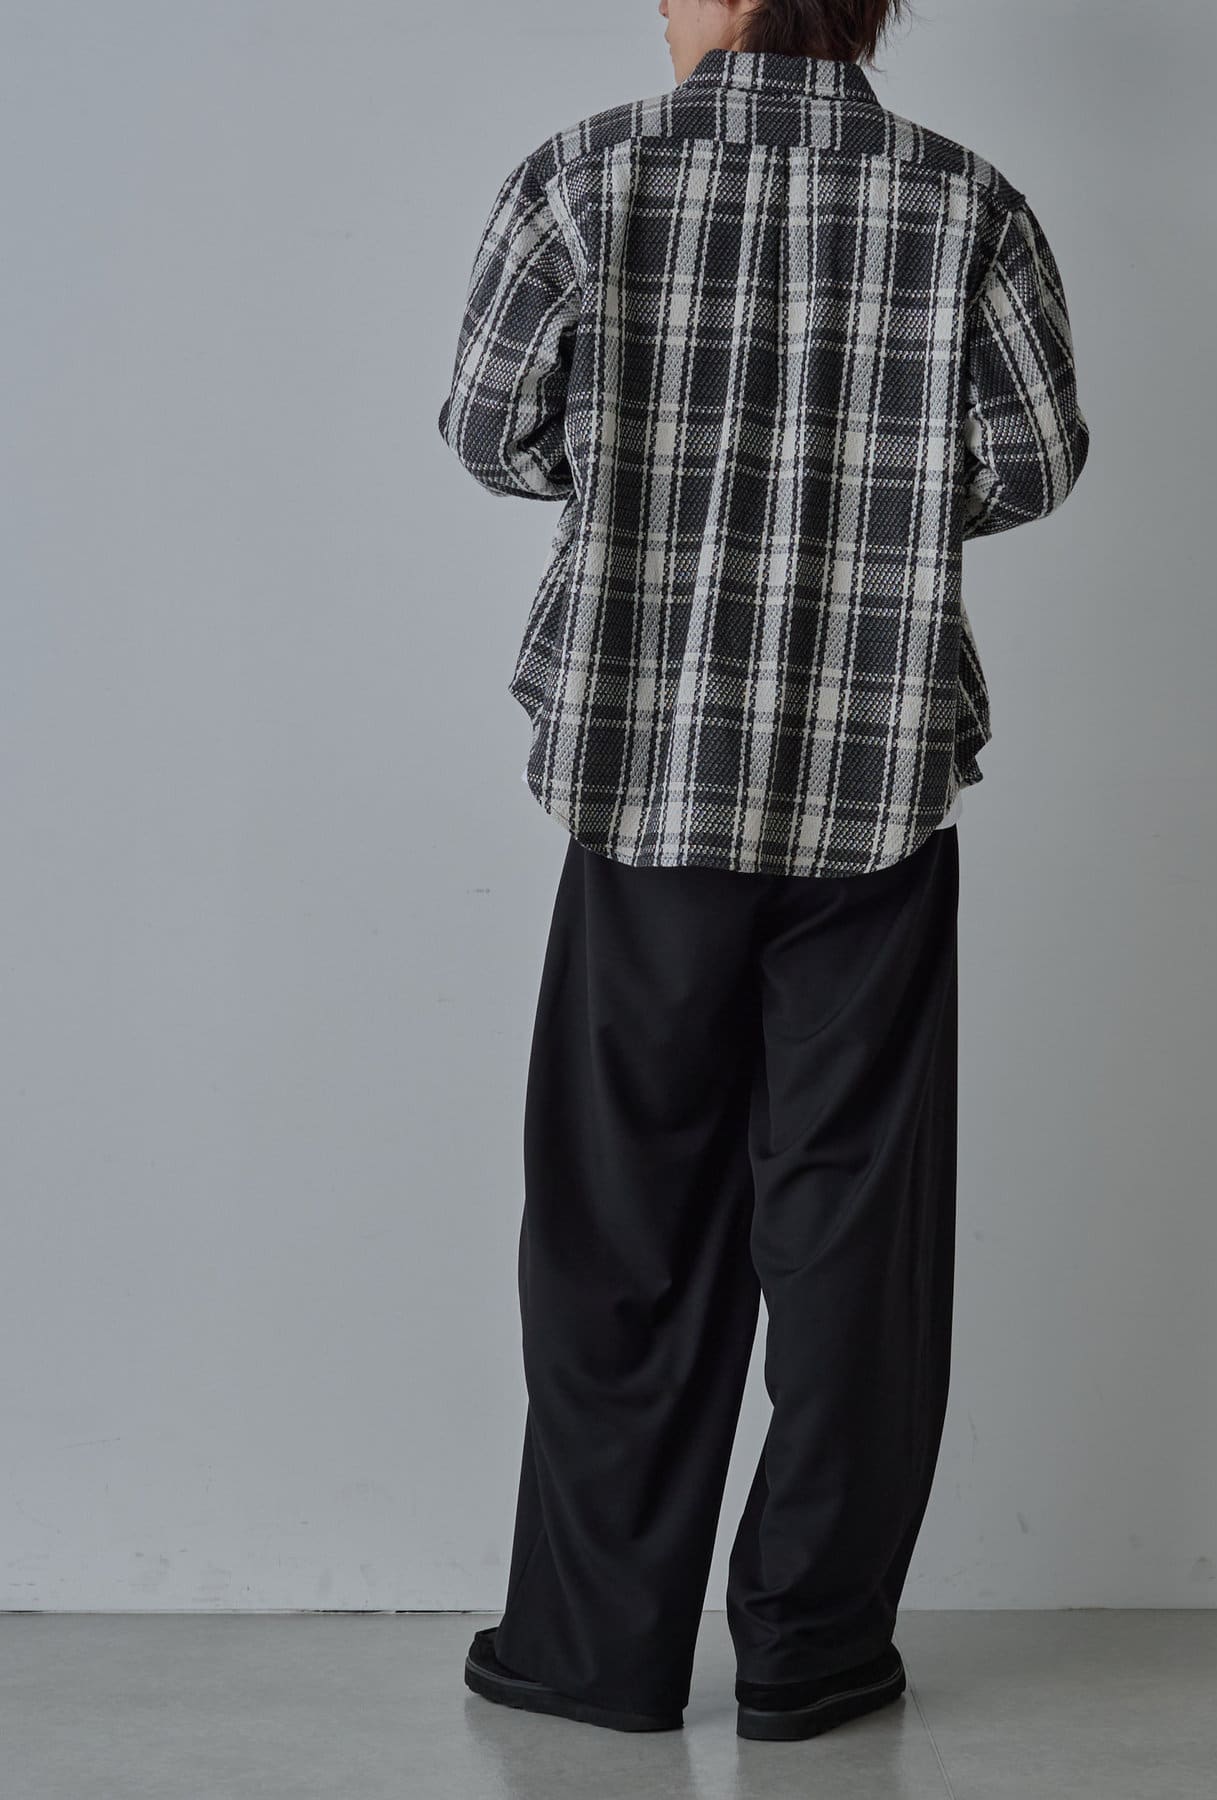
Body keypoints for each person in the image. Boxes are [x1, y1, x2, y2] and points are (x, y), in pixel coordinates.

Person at [437, 0, 1089, 1743]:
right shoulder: (966, 200)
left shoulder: (582, 178)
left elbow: (488, 431)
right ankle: (814, 1653)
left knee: (619, 1231)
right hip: (872, 789)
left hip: (645, 775)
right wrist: (879, 511)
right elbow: (1034, 460)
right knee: (856, 1230)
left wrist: (646, 481)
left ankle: (595, 1649)